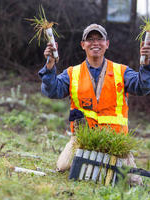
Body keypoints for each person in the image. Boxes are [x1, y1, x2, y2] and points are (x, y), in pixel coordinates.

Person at [38, 23, 150, 185]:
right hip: (82, 140)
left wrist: (146, 66)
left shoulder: (122, 71)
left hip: (115, 141)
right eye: (90, 39)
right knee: (63, 166)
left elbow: (143, 87)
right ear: (83, 45)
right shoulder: (72, 73)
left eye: (99, 39)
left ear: (107, 44)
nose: (95, 43)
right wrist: (49, 66)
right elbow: (51, 91)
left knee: (133, 182)